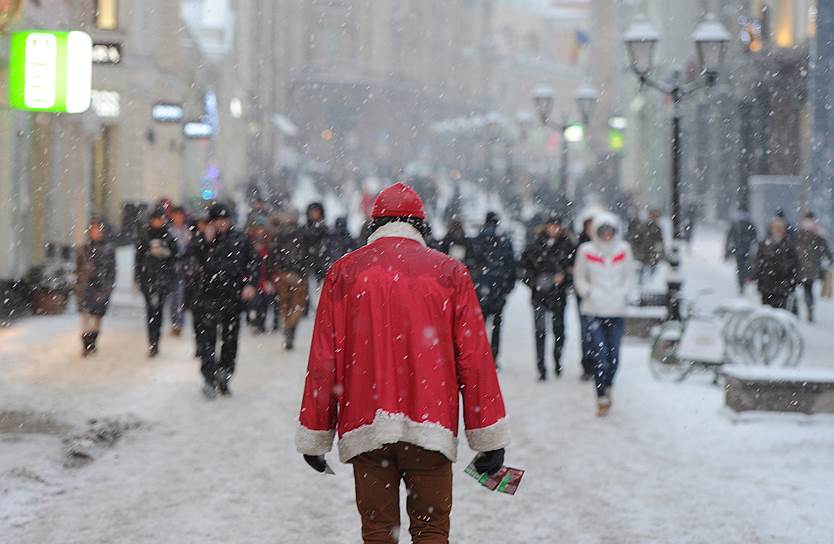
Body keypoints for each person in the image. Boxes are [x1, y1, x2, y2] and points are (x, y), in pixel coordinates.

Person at [296, 182, 509, 544]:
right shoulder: (449, 273)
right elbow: (474, 360)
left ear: (373, 223)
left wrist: (316, 433)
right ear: (420, 224)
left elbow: (323, 362)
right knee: (431, 530)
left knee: (378, 531)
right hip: (431, 425)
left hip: (366, 425)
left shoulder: (345, 273)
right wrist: (487, 434)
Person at [192, 203, 257, 398]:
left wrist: (250, 284)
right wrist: (206, 242)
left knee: (230, 340)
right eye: (217, 220)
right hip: (208, 297)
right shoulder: (203, 239)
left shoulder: (240, 239)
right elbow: (191, 261)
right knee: (208, 341)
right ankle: (209, 378)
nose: (221, 224)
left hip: (233, 298)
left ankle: (225, 375)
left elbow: (252, 263)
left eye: (224, 220)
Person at [573, 212, 636, 417]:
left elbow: (629, 277)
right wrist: (588, 293)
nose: (607, 236)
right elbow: (579, 277)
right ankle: (600, 395)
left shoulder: (624, 250)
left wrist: (625, 294)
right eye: (603, 231)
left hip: (616, 311)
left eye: (610, 231)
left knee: (614, 356)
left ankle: (608, 385)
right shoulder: (586, 250)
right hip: (594, 311)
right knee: (599, 355)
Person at [521, 216, 576, 381]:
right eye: (552, 226)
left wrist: (564, 277)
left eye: (557, 226)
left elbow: (573, 270)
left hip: (558, 295)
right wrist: (536, 281)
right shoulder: (534, 246)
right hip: (539, 295)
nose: (554, 229)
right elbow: (524, 270)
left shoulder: (567, 245)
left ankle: (557, 360)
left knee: (559, 330)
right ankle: (541, 367)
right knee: (540, 331)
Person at [467, 212, 516, 366]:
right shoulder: (504, 242)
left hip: (479, 289)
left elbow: (468, 265)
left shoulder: (475, 241)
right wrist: (507, 288)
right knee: (496, 325)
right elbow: (512, 268)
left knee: (478, 326)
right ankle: (493, 357)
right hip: (497, 289)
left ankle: (478, 355)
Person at [134, 207, 178, 357]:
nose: (158, 222)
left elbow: (175, 254)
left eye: (160, 219)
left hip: (163, 279)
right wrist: (137, 277)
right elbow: (138, 258)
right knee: (150, 311)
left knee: (158, 311)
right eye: (155, 219)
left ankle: (156, 340)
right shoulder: (145, 235)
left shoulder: (168, 234)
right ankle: (152, 342)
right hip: (148, 277)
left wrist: (165, 251)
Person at [75, 218, 116, 357]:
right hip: (86, 286)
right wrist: (79, 283)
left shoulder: (108, 249)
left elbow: (112, 270)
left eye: (98, 229)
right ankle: (86, 343)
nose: (96, 232)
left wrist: (109, 286)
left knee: (97, 315)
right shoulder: (83, 249)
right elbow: (78, 268)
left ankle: (93, 340)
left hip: (102, 287)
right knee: (85, 314)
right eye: (93, 229)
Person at [270, 211, 309, 350]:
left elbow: (273, 254)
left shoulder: (285, 234)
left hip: (288, 274)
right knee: (294, 306)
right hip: (292, 274)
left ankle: (289, 330)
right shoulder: (300, 233)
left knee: (288, 306)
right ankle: (289, 330)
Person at [753, 218, 800, 310]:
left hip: (783, 286)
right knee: (767, 312)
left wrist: (794, 281)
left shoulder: (789, 245)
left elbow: (796, 264)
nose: (778, 231)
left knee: (780, 313)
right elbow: (758, 263)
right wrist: (757, 278)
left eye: (780, 228)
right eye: (775, 228)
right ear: (771, 229)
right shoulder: (764, 244)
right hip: (767, 285)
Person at [797, 212, 832, 322]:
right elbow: (825, 249)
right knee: (809, 289)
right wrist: (831, 259)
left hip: (802, 266)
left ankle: (808, 307)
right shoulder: (818, 232)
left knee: (806, 289)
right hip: (813, 266)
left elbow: (794, 248)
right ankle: (810, 309)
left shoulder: (800, 232)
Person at [574, 216, 596, 381]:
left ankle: (597, 362)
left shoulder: (602, 246)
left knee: (595, 331)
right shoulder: (581, 246)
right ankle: (587, 364)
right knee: (585, 330)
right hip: (584, 296)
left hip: (601, 296)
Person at [248, 217, 275, 334]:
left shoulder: (269, 242)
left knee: (265, 302)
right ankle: (255, 323)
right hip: (254, 275)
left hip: (266, 275)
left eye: (262, 227)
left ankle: (261, 323)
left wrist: (270, 278)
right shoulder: (249, 240)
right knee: (255, 302)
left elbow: (272, 261)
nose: (260, 230)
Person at [167, 206, 191, 336]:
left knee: (181, 297)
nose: (178, 218)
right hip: (171, 268)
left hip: (183, 268)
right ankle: (175, 322)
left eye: (180, 215)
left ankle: (179, 322)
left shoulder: (187, 231)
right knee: (173, 298)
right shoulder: (169, 231)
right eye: (176, 215)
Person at [725, 210, 759, 294]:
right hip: (746, 249)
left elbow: (729, 237)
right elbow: (754, 237)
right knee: (745, 266)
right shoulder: (749, 224)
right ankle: (743, 281)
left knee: (740, 267)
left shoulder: (736, 224)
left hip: (738, 249)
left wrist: (728, 249)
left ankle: (741, 283)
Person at [630, 209, 664, 284]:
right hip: (643, 255)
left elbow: (660, 243)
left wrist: (659, 254)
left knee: (651, 276)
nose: (654, 218)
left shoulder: (657, 229)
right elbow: (635, 240)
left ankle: (648, 285)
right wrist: (637, 252)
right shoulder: (643, 227)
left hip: (652, 255)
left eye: (656, 216)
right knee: (641, 275)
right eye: (653, 216)